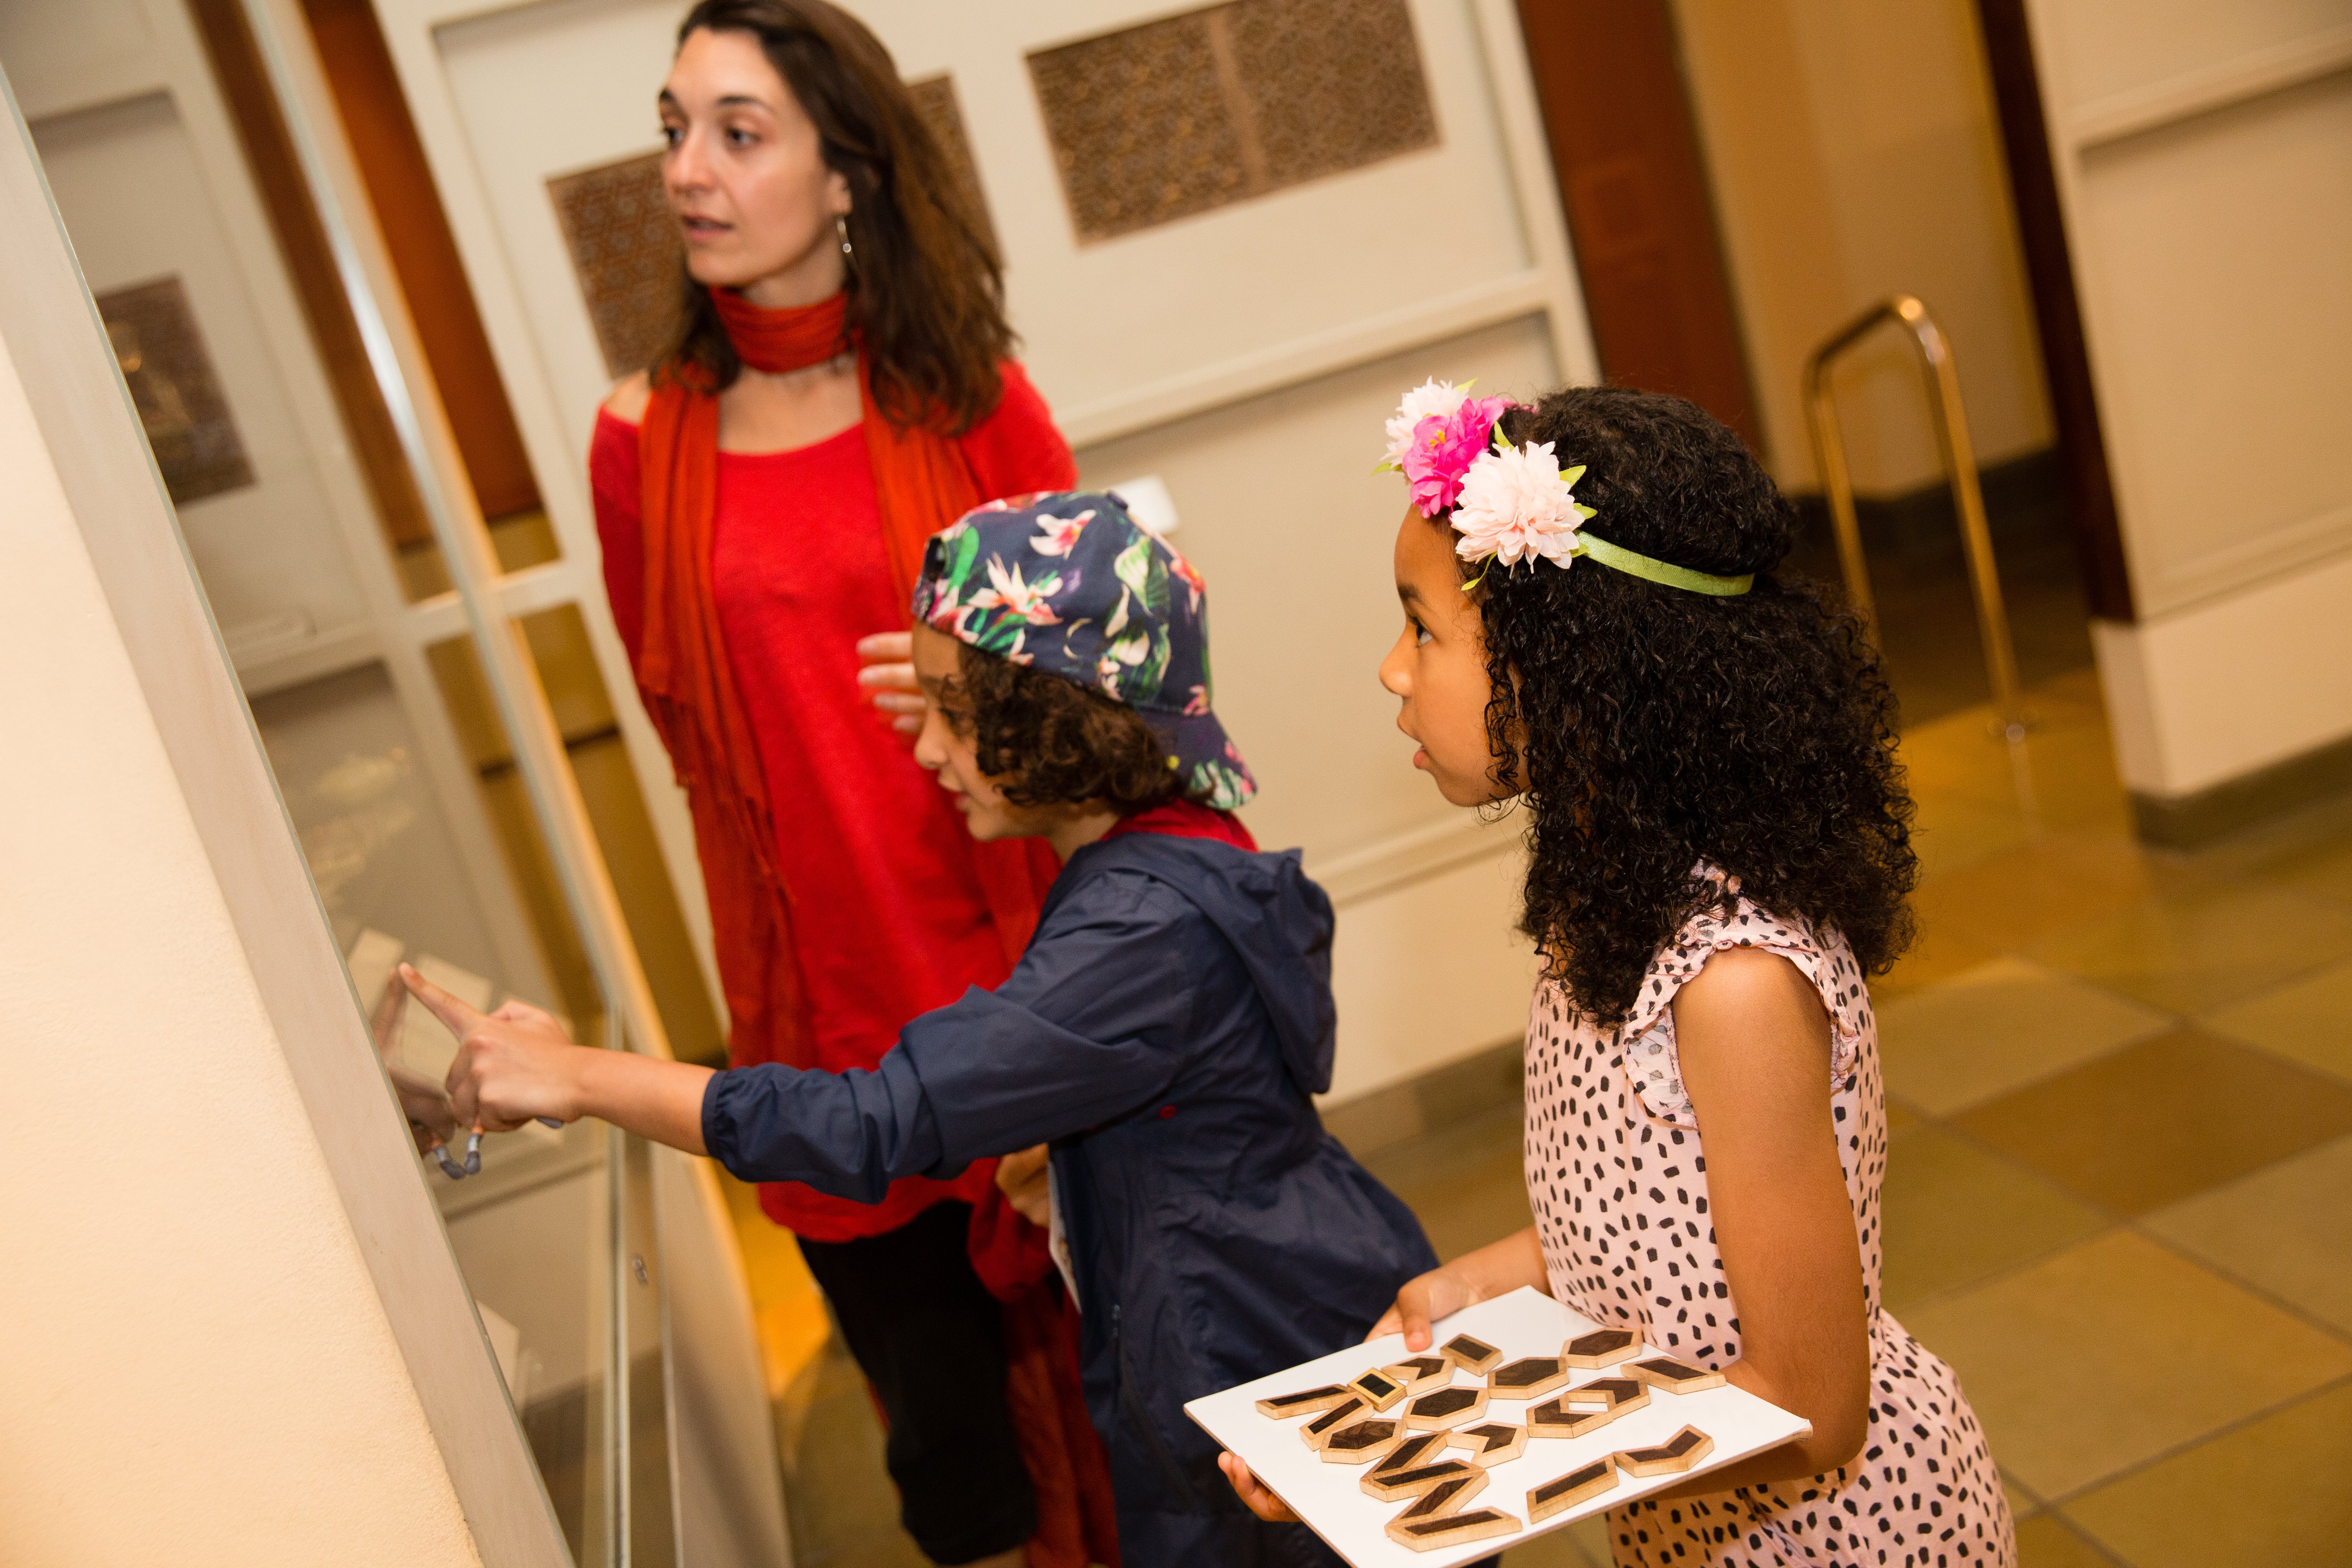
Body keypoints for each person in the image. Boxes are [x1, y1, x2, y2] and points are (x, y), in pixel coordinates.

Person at [410, 494, 1439, 1567]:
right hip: (1268, 1296)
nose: (928, 749)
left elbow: (868, 1123)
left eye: (956, 712)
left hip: (1248, 1351)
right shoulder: (1177, 827)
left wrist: (577, 1077)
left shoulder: (1136, 936)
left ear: (1057, 721)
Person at [1220, 383, 2016, 1567]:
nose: (1394, 671)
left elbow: (1811, 1403)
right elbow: (1663, 1229)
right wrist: (1464, 1302)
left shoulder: (1734, 983)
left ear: (1572, 670)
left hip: (1840, 1541)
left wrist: (1460, 1464)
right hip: (1688, 1531)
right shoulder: (1613, 917)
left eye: (1425, 628)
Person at [587, 4, 1108, 1563]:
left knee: (1141, 1414)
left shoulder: (973, 410)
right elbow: (693, 753)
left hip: (1032, 1009)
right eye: (673, 128)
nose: (688, 170)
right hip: (825, 1042)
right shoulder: (640, 447)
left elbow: (1106, 718)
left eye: (737, 134)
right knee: (959, 1475)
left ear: (847, 178)